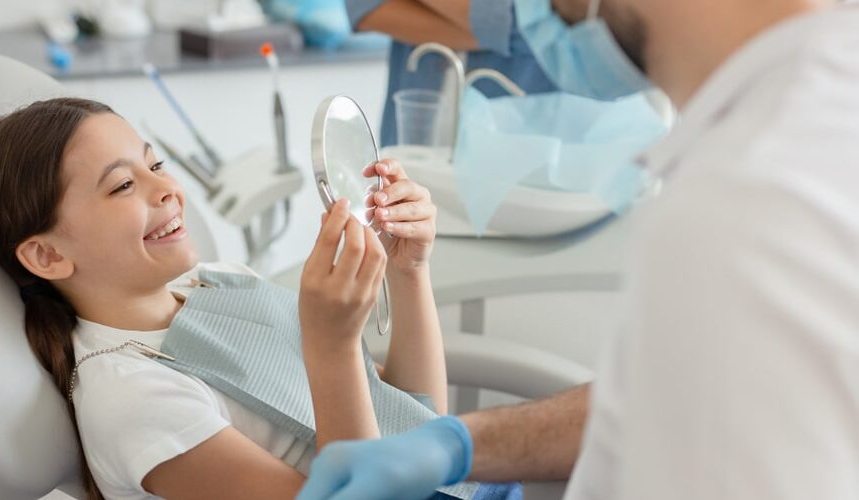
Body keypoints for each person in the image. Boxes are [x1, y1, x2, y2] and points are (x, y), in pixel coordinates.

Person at [298, 0, 859, 499]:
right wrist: (461, 442)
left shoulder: (739, 209)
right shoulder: (816, 114)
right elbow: (680, 399)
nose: (530, 10)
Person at [0, 97, 450, 499]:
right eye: (122, 185)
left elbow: (411, 422)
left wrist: (409, 271)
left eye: (155, 164)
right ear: (48, 256)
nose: (167, 188)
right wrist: (332, 347)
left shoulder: (220, 281)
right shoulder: (133, 400)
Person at [345, 0, 557, 146]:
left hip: (521, 145)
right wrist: (491, 28)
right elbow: (365, 10)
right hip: (411, 135)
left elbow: (532, 22)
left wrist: (508, 27)